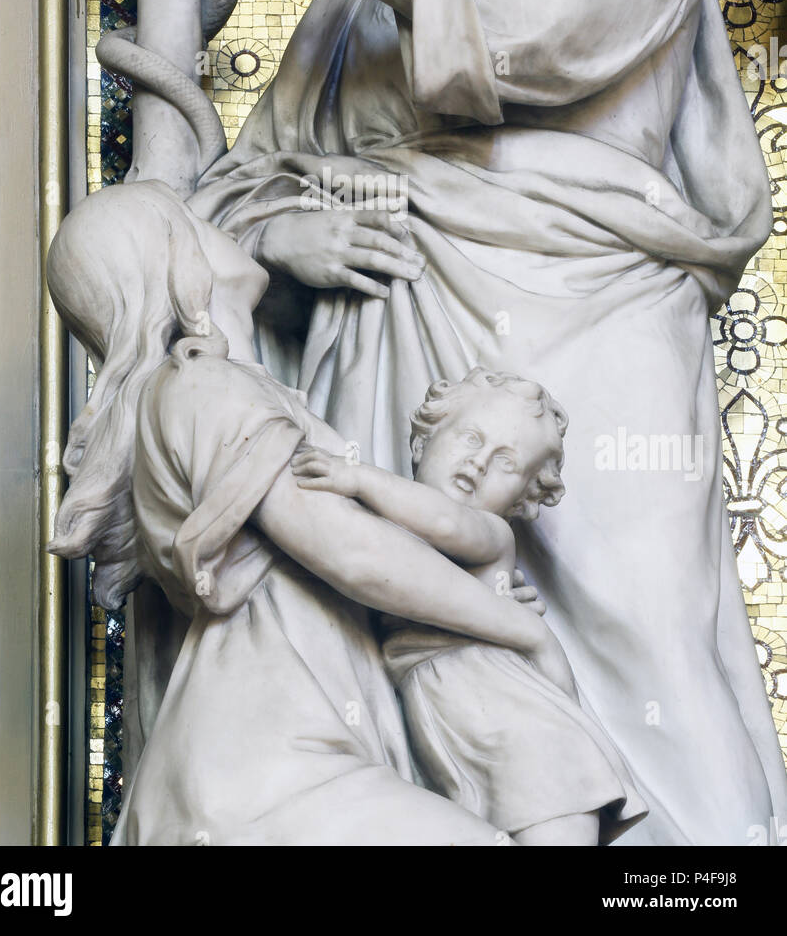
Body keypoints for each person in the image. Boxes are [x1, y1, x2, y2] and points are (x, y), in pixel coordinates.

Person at [191, 0, 787, 842]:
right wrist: (287, 238)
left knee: (643, 625)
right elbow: (244, 183)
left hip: (605, 331)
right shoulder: (365, 0)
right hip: (392, 333)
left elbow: (550, 29)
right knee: (410, 632)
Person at [48, 180, 561, 845]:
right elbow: (349, 553)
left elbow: (351, 568)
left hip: (292, 761)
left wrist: (466, 585)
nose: (215, 221)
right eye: (188, 219)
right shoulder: (203, 386)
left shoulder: (230, 387)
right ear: (176, 267)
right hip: (265, 772)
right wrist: (518, 630)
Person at [293, 367, 647, 846]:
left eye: (505, 463)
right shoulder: (387, 535)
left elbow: (442, 519)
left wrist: (357, 477)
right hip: (463, 731)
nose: (478, 463)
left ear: (522, 497)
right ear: (421, 443)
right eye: (470, 438)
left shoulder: (488, 533)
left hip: (520, 731)